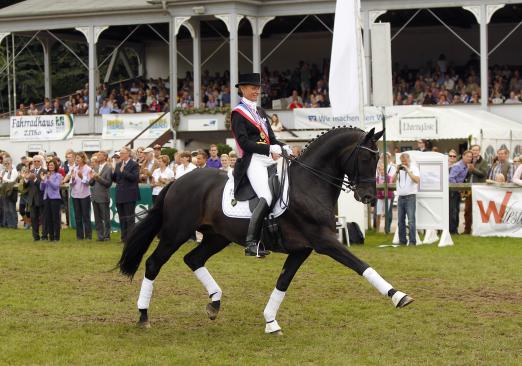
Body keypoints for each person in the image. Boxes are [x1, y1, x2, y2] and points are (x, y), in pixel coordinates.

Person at [230, 72, 292, 257]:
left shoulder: (261, 112)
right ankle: (251, 243)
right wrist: (270, 149)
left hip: (268, 157)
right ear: (242, 89)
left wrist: (284, 147)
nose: (257, 91)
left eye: (258, 88)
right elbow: (244, 144)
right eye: (252, 87)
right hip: (253, 159)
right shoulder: (238, 113)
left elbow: (271, 139)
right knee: (266, 194)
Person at [112, 147, 140, 243]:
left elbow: (134, 178)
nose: (121, 155)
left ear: (128, 153)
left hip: (129, 194)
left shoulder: (134, 164)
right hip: (120, 193)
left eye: (123, 153)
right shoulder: (118, 164)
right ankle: (123, 238)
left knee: (129, 218)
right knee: (122, 217)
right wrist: (113, 174)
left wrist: (123, 171)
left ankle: (130, 238)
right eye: (121, 153)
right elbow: (116, 178)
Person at [393, 153, 420, 245]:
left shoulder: (414, 168)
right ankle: (402, 241)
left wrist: (408, 171)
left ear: (409, 160)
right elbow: (392, 180)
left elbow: (417, 180)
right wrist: (397, 171)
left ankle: (412, 241)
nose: (403, 163)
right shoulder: (399, 169)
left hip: (410, 197)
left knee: (411, 220)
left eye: (405, 161)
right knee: (400, 220)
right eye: (402, 161)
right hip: (401, 197)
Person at [464, 145, 488, 234]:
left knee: (479, 210)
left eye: (476, 150)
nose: (475, 152)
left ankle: (479, 230)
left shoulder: (484, 162)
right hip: (468, 189)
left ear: (479, 151)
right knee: (467, 210)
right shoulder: (468, 160)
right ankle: (467, 230)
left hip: (479, 190)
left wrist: (473, 169)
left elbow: (484, 174)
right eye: (473, 150)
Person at [68, 152, 92, 240]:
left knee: (86, 216)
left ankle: (88, 236)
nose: (77, 160)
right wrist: (73, 178)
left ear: (83, 159)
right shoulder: (74, 168)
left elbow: (89, 183)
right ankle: (79, 236)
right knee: (77, 216)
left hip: (84, 195)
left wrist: (82, 177)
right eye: (76, 158)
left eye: (78, 158)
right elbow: (71, 183)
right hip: (75, 195)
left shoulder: (88, 169)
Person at [89, 151, 112, 241]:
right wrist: (92, 177)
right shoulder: (95, 167)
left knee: (105, 217)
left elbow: (108, 183)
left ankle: (107, 236)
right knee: (97, 218)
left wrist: (97, 177)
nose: (97, 156)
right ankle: (100, 236)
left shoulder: (108, 168)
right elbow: (91, 183)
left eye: (99, 155)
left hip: (103, 196)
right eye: (97, 155)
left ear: (105, 157)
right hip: (94, 196)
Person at [448, 150, 472, 234]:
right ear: (463, 156)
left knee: (456, 210)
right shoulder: (458, 166)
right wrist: (459, 188)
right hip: (452, 191)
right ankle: (452, 231)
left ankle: (455, 230)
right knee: (453, 211)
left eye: (470, 157)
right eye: (468, 156)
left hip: (457, 191)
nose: (469, 158)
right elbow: (451, 178)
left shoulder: (466, 166)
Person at [23, 155, 46, 241]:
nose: (36, 163)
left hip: (41, 198)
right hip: (32, 199)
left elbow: (42, 185)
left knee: (43, 218)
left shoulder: (44, 171)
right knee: (33, 218)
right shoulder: (30, 171)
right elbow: (26, 186)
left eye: (38, 161)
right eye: (34, 161)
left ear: (41, 162)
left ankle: (44, 236)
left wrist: (35, 179)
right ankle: (35, 237)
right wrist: (25, 179)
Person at [39, 159, 63, 241]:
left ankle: (57, 237)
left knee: (55, 218)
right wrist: (42, 180)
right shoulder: (46, 175)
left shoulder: (58, 175)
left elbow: (56, 187)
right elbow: (41, 188)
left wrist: (48, 180)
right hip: (47, 198)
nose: (50, 166)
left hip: (55, 198)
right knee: (48, 218)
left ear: (55, 166)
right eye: (49, 165)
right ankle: (51, 237)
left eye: (52, 165)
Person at [375, 163, 393, 233]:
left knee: (386, 213)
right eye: (380, 169)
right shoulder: (377, 178)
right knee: (378, 213)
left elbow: (391, 185)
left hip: (387, 197)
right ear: (378, 170)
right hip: (380, 197)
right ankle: (377, 230)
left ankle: (387, 229)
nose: (382, 171)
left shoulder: (389, 177)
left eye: (383, 169)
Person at [1, 157, 19, 229]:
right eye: (5, 163)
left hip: (12, 192)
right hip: (4, 191)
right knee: (6, 209)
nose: (6, 164)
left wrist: (3, 178)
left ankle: (14, 225)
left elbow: (12, 181)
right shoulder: (4, 171)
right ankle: (8, 224)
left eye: (8, 163)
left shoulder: (14, 171)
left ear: (11, 163)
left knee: (12, 209)